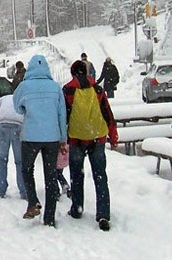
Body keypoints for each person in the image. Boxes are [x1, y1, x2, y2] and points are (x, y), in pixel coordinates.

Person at [62, 60, 118, 232]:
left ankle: (77, 209)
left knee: (76, 175)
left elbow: (63, 115)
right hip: (97, 137)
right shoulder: (97, 89)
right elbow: (107, 112)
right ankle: (103, 214)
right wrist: (113, 135)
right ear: (86, 72)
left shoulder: (68, 90)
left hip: (76, 139)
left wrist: (61, 139)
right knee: (100, 176)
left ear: (73, 73)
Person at [13, 54, 67, 227]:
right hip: (52, 136)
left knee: (27, 169)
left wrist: (28, 109)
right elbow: (61, 113)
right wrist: (63, 138)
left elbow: (17, 107)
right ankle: (49, 218)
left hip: (30, 136)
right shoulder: (55, 87)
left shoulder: (24, 86)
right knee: (51, 176)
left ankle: (33, 201)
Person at [0, 94, 26, 199]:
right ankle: (23, 190)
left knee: (2, 159)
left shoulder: (3, 98)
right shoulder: (22, 98)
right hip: (18, 127)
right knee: (20, 161)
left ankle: (1, 189)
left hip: (2, 126)